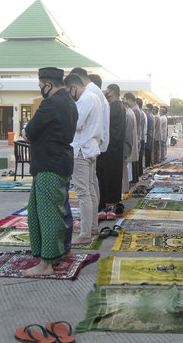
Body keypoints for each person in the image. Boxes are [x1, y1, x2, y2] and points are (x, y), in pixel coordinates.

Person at [21, 67, 78, 276]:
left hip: (49, 164)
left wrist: (25, 132)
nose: (41, 91)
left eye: (40, 87)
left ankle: (46, 264)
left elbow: (30, 131)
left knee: (47, 215)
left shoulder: (51, 103)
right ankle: (62, 251)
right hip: (60, 162)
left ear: (48, 85)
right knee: (59, 210)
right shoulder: (70, 102)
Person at [63, 73, 102, 246]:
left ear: (74, 87)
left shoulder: (85, 99)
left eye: (68, 91)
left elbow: (75, 124)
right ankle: (91, 226)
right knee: (90, 189)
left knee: (83, 192)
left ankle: (86, 233)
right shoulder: (94, 96)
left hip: (82, 149)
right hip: (90, 147)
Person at [98, 84, 125, 213]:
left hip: (111, 146)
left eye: (107, 91)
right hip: (115, 145)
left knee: (108, 175)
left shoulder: (113, 106)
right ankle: (113, 200)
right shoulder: (120, 105)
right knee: (113, 174)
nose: (106, 93)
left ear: (112, 92)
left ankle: (108, 202)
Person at [70, 68, 110, 155]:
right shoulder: (94, 90)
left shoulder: (87, 94)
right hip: (91, 145)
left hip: (83, 147)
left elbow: (76, 123)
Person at [124, 93, 142, 183]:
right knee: (133, 161)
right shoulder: (135, 109)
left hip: (134, 137)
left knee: (131, 162)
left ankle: (133, 180)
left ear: (129, 99)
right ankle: (134, 179)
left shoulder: (133, 110)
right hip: (136, 136)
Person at [122, 98, 138, 197]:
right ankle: (125, 188)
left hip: (125, 145)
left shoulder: (127, 114)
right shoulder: (130, 112)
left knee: (124, 168)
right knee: (125, 168)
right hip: (128, 144)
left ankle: (124, 189)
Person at [136, 98, 147, 177]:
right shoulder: (142, 113)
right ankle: (140, 171)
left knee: (139, 157)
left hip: (141, 137)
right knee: (140, 156)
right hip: (142, 137)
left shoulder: (140, 113)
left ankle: (139, 172)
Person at [145, 103, 154, 168]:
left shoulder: (147, 116)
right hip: (149, 134)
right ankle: (148, 163)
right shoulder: (150, 116)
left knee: (147, 150)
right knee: (148, 149)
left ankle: (147, 164)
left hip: (147, 134)